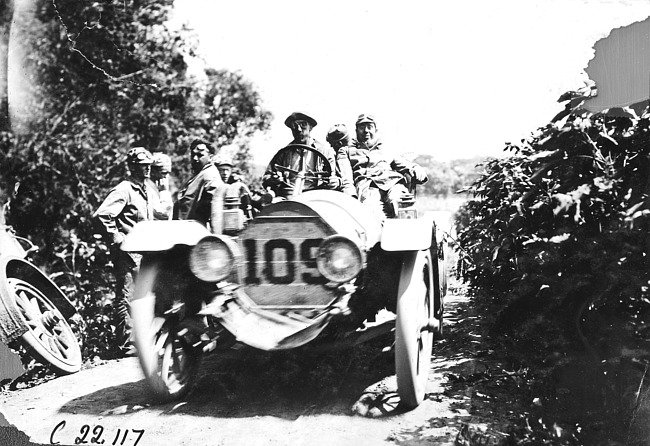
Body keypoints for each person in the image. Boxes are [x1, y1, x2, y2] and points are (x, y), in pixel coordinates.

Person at [93, 147, 156, 355]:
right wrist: (118, 238)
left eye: (148, 165)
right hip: (127, 252)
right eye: (141, 166)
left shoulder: (145, 190)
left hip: (143, 251)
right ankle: (125, 344)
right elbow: (102, 216)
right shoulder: (124, 189)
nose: (146, 169)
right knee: (127, 295)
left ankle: (140, 339)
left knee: (142, 296)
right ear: (131, 167)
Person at [347, 114, 428, 219]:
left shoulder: (385, 149)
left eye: (369, 127)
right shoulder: (348, 150)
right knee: (373, 212)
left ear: (375, 130)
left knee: (401, 202)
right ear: (356, 131)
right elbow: (346, 176)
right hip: (368, 186)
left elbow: (402, 163)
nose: (366, 131)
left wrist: (415, 168)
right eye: (362, 127)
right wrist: (350, 194)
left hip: (392, 183)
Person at [262, 111, 337, 197]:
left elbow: (333, 178)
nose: (298, 129)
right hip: (287, 197)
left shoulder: (324, 152)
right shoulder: (284, 153)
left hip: (315, 197)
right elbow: (266, 177)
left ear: (310, 127)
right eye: (294, 126)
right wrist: (273, 179)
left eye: (303, 125)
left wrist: (332, 181)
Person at [173, 139, 225, 233]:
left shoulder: (210, 175)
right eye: (193, 155)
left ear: (210, 157)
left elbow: (212, 205)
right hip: (187, 230)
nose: (195, 159)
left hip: (197, 232)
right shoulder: (199, 175)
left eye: (200, 155)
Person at [214, 154, 254, 219]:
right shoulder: (213, 183)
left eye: (227, 170)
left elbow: (247, 204)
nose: (225, 173)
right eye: (221, 170)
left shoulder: (237, 185)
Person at [325, 124, 357, 197]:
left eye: (331, 144)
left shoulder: (342, 154)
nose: (331, 146)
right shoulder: (358, 149)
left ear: (339, 143)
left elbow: (346, 181)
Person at [149, 152, 173, 220]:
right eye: (164, 173)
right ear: (153, 172)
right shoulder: (148, 189)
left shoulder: (159, 187)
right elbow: (164, 215)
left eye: (168, 173)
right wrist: (164, 192)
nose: (167, 177)